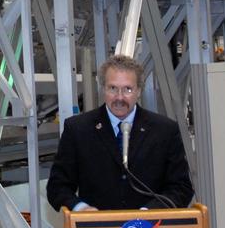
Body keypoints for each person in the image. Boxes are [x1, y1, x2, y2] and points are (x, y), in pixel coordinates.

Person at [47, 54, 194, 216]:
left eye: (128, 89)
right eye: (113, 88)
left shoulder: (165, 130)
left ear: (139, 91)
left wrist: (149, 213)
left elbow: (181, 188)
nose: (119, 97)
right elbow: (57, 187)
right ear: (103, 89)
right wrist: (82, 209)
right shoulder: (78, 129)